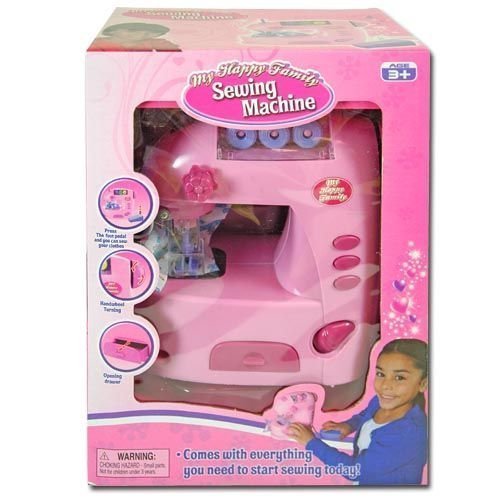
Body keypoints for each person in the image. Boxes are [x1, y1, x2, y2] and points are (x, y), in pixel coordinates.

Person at [287, 339, 428, 485]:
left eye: (399, 378)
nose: (385, 385)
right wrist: (349, 425)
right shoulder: (381, 401)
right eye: (381, 374)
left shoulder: (409, 433)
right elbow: (365, 415)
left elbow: (355, 471)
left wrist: (311, 442)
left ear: (423, 384)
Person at [89, 22, 180, 52]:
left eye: (148, 34)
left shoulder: (154, 42)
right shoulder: (97, 44)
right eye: (132, 31)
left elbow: (173, 51)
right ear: (112, 31)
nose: (141, 35)